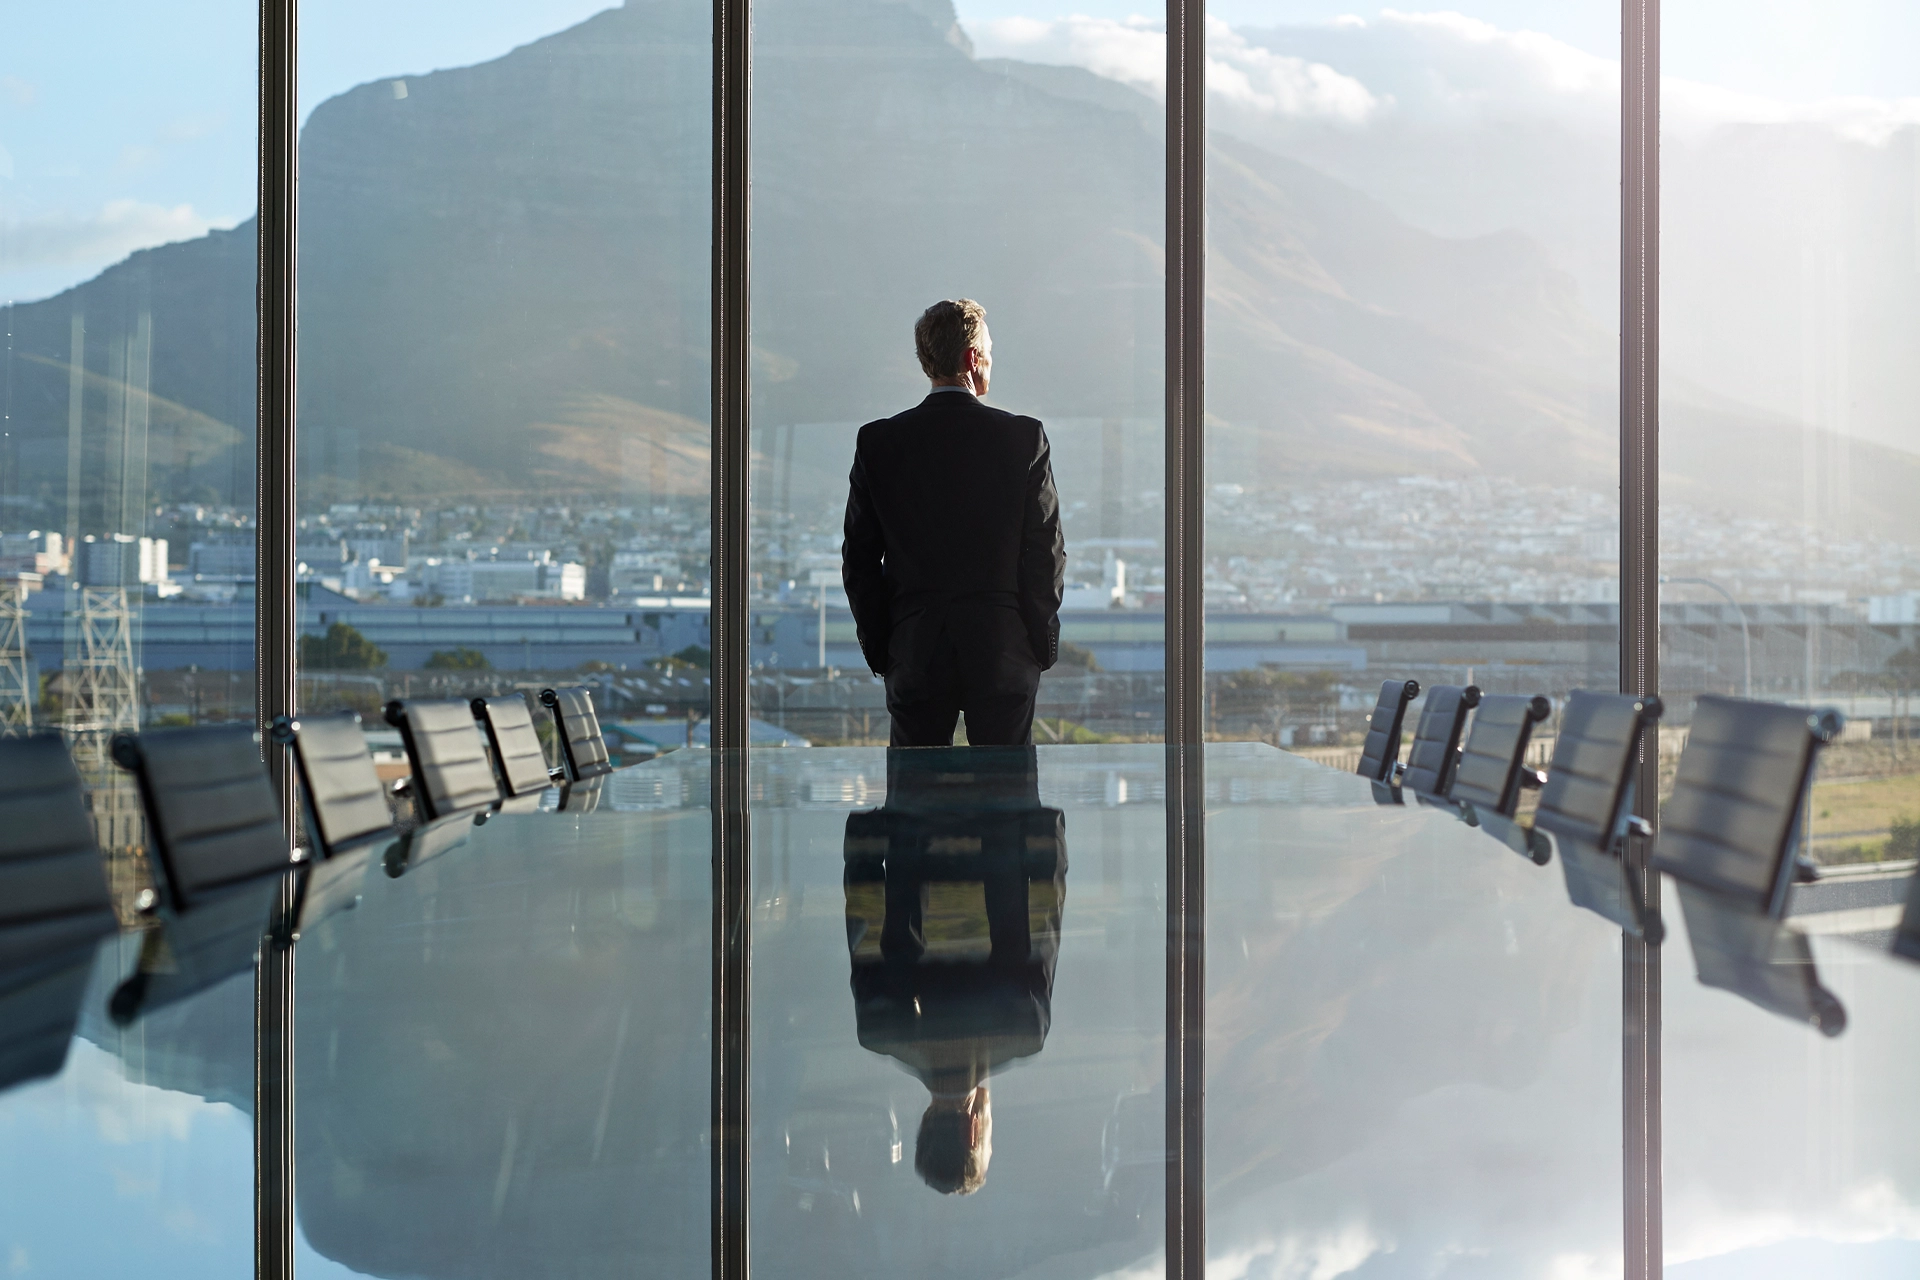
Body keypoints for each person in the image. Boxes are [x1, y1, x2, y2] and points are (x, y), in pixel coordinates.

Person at [841, 299, 1066, 747]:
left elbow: (859, 562)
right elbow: (1045, 553)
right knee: (1009, 803)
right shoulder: (1023, 439)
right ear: (972, 358)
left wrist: (887, 649)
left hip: (915, 649)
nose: (992, 360)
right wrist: (1037, 646)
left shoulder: (879, 443)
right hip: (1003, 649)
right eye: (989, 350)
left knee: (913, 803)